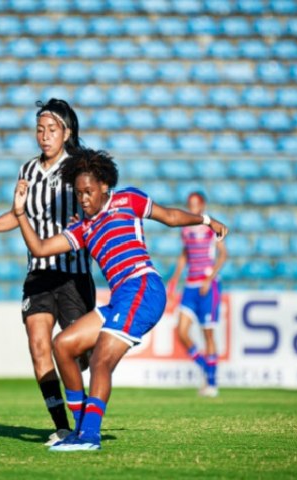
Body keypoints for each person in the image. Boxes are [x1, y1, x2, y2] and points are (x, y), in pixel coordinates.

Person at [12, 149, 228, 451]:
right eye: (79, 193)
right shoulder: (82, 228)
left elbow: (169, 216)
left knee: (101, 359)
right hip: (121, 298)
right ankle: (79, 429)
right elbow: (40, 248)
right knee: (62, 346)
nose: (84, 198)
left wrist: (206, 220)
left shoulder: (127, 200)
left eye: (88, 191)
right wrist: (20, 213)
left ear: (104, 186)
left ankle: (90, 435)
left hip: (143, 287)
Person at [0, 99, 95, 446]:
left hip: (73, 276)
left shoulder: (80, 169)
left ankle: (85, 413)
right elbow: (18, 215)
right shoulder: (28, 171)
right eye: (40, 130)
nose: (44, 136)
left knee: (79, 355)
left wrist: (87, 222)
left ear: (67, 133)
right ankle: (64, 426)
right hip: (39, 275)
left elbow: (100, 207)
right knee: (38, 345)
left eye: (52, 130)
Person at [167, 192, 228, 398]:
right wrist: (175, 279)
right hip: (190, 286)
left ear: (202, 206)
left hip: (207, 286)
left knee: (207, 333)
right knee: (181, 331)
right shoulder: (186, 229)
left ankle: (212, 382)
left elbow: (223, 254)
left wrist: (210, 279)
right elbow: (184, 255)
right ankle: (205, 366)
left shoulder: (211, 227)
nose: (192, 208)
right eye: (189, 204)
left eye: (195, 204)